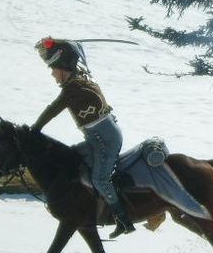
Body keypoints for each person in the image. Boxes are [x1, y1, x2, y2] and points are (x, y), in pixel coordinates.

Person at [31, 37, 135, 238]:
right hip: (98, 140)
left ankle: (123, 220)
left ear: (63, 66)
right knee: (73, 158)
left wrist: (35, 129)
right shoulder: (80, 77)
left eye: (54, 69)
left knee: (100, 179)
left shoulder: (74, 87)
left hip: (106, 142)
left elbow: (52, 110)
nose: (53, 74)